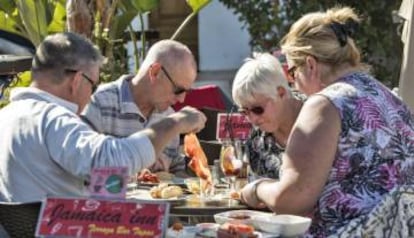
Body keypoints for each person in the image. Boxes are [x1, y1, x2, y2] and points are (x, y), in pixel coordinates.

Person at [239, 6, 414, 237]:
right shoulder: (388, 97)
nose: (293, 84)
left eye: (292, 72)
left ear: (310, 65)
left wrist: (255, 189)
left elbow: (292, 199)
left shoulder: (325, 104)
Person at [0, 32, 206, 203]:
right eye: (93, 84)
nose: (91, 94)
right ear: (77, 80)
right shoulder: (53, 119)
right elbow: (108, 162)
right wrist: (174, 123)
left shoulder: (7, 115)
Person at [82, 39, 196, 176]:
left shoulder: (168, 115)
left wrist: (169, 170)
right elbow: (82, 166)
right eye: (178, 90)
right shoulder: (100, 104)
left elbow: (176, 169)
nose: (181, 99)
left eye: (187, 92)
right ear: (154, 72)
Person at [232, 53, 304, 180]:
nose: (252, 119)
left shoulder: (317, 114)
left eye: (257, 109)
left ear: (281, 93)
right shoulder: (256, 137)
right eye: (244, 111)